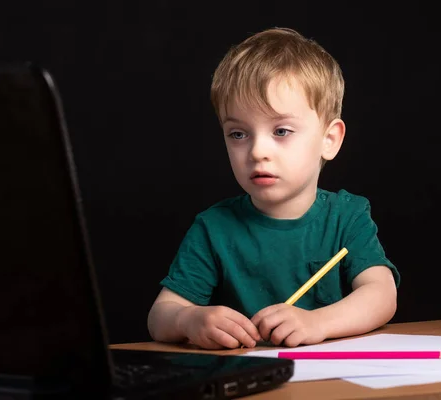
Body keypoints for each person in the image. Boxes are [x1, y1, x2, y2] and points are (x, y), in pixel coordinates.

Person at [147, 27, 400, 350]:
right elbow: (160, 316)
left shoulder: (347, 216)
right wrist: (190, 320)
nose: (256, 152)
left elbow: (382, 295)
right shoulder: (213, 227)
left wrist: (317, 322)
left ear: (329, 140)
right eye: (238, 134)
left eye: (281, 130)